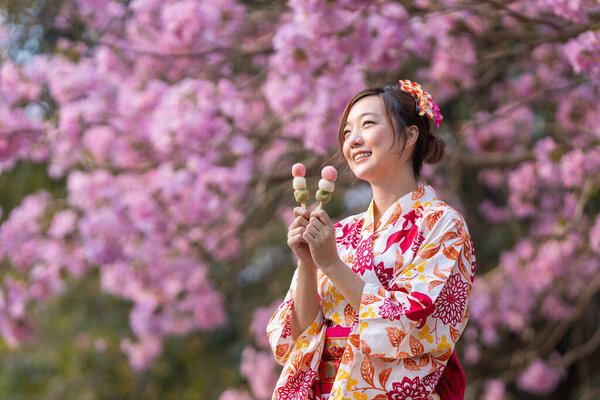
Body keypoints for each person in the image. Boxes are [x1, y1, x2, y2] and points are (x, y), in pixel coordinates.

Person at [267, 80, 476, 400]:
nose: (354, 139)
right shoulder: (342, 232)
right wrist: (308, 263)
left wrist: (333, 264)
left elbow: (412, 326)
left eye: (367, 124)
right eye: (348, 131)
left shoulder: (442, 224)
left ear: (409, 135)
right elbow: (298, 342)